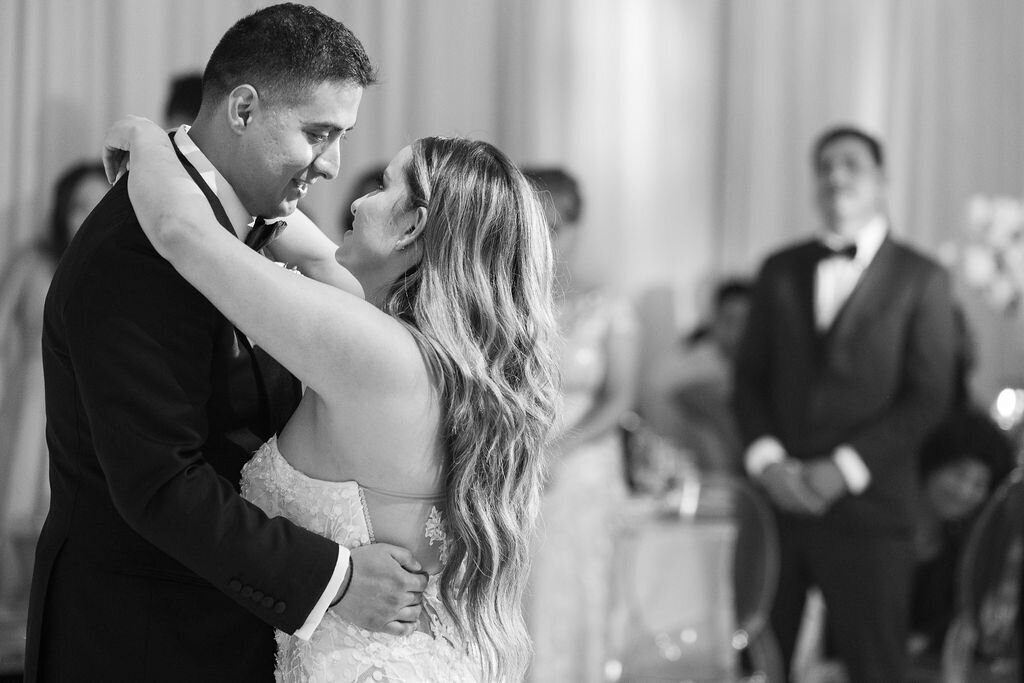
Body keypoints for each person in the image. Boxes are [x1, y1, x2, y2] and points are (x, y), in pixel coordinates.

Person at [25, 6, 428, 681]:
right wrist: (333, 578)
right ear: (242, 109)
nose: (334, 166)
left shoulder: (235, 230)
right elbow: (161, 484)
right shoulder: (136, 253)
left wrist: (150, 140)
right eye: (318, 133)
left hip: (221, 626)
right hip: (137, 637)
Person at [103, 114, 557, 680]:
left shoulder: (375, 351)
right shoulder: (427, 353)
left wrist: (148, 137)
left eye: (383, 186)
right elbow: (312, 252)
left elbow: (183, 235)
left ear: (412, 226)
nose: (358, 201)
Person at [733, 125, 957, 682]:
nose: (836, 175)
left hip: (873, 510)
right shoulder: (778, 269)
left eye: (851, 164)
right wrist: (769, 464)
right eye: (826, 165)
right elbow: (748, 381)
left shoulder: (921, 277)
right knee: (760, 663)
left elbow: (930, 395)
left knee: (875, 667)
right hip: (778, 508)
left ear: (881, 181)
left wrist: (845, 468)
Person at [521, 167, 639, 682]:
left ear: (575, 226)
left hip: (585, 461)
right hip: (518, 456)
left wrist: (560, 449)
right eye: (534, 224)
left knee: (580, 589)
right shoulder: (509, 298)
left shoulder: (609, 305)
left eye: (555, 226)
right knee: (524, 590)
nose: (545, 239)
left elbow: (620, 398)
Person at [0, 161, 108, 613]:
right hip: (30, 405)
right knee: (23, 517)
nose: (86, 216)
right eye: (77, 206)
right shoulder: (34, 262)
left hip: (89, 409)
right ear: (60, 211)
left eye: (98, 205)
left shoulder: (116, 269)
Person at [909, 408, 1014, 655]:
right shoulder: (881, 535)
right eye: (959, 473)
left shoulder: (967, 552)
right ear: (932, 465)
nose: (965, 492)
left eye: (979, 483)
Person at [670, 278, 752, 474]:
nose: (739, 331)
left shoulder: (761, 366)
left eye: (747, 322)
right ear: (714, 319)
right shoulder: (692, 365)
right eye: (730, 320)